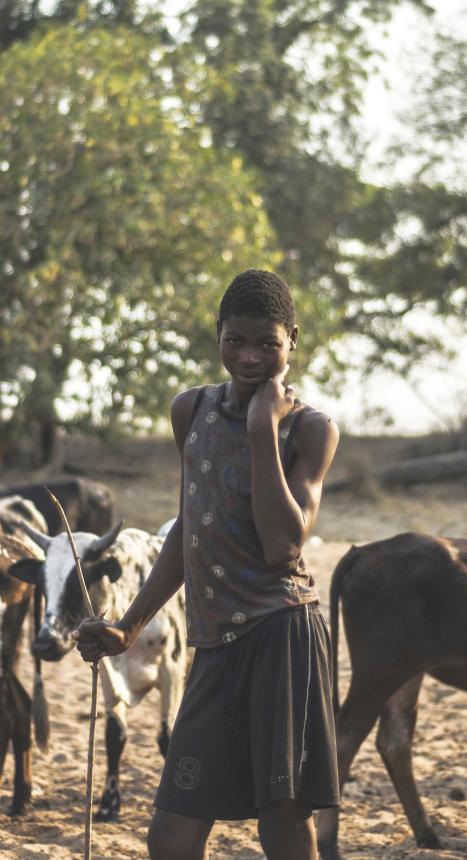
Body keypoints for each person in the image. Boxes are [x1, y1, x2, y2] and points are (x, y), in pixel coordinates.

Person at [73, 269, 340, 860]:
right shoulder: (189, 410)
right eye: (235, 340)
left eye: (267, 343)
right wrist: (127, 627)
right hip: (214, 643)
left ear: (292, 340)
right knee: (172, 831)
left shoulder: (311, 429)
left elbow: (282, 547)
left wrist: (261, 431)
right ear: (217, 334)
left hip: (282, 638)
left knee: (283, 825)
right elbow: (192, 530)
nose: (249, 357)